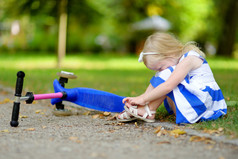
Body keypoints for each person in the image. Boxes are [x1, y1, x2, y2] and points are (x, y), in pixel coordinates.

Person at [116, 32, 227, 124]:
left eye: (160, 67)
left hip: (202, 103)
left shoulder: (189, 58)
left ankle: (149, 109)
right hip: (192, 104)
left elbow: (168, 86)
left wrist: (143, 99)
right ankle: (144, 107)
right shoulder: (178, 61)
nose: (160, 72)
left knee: (168, 76)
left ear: (170, 53)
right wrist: (141, 98)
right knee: (167, 75)